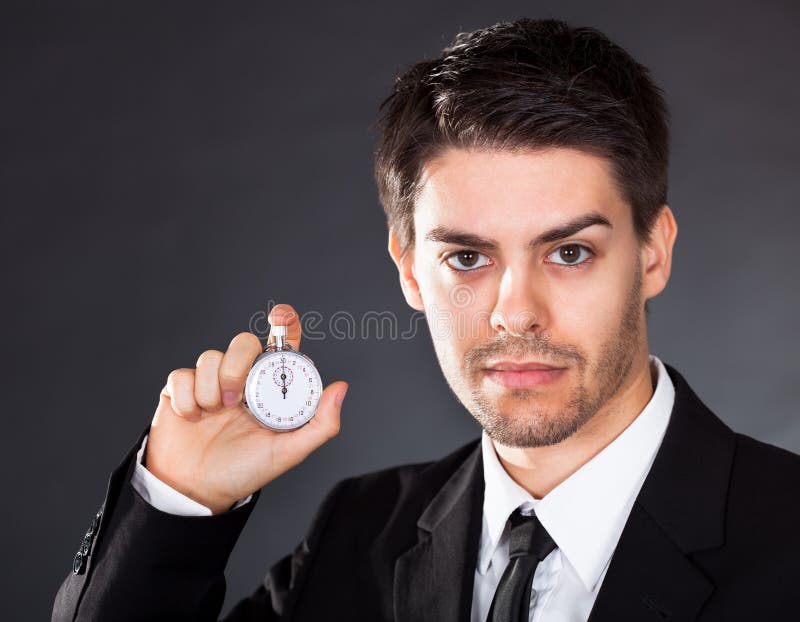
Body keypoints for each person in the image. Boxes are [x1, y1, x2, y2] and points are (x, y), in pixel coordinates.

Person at [52, 17, 799, 622]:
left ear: (654, 253)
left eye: (569, 252)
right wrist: (182, 502)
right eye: (468, 259)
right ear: (410, 269)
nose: (516, 312)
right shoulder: (357, 535)